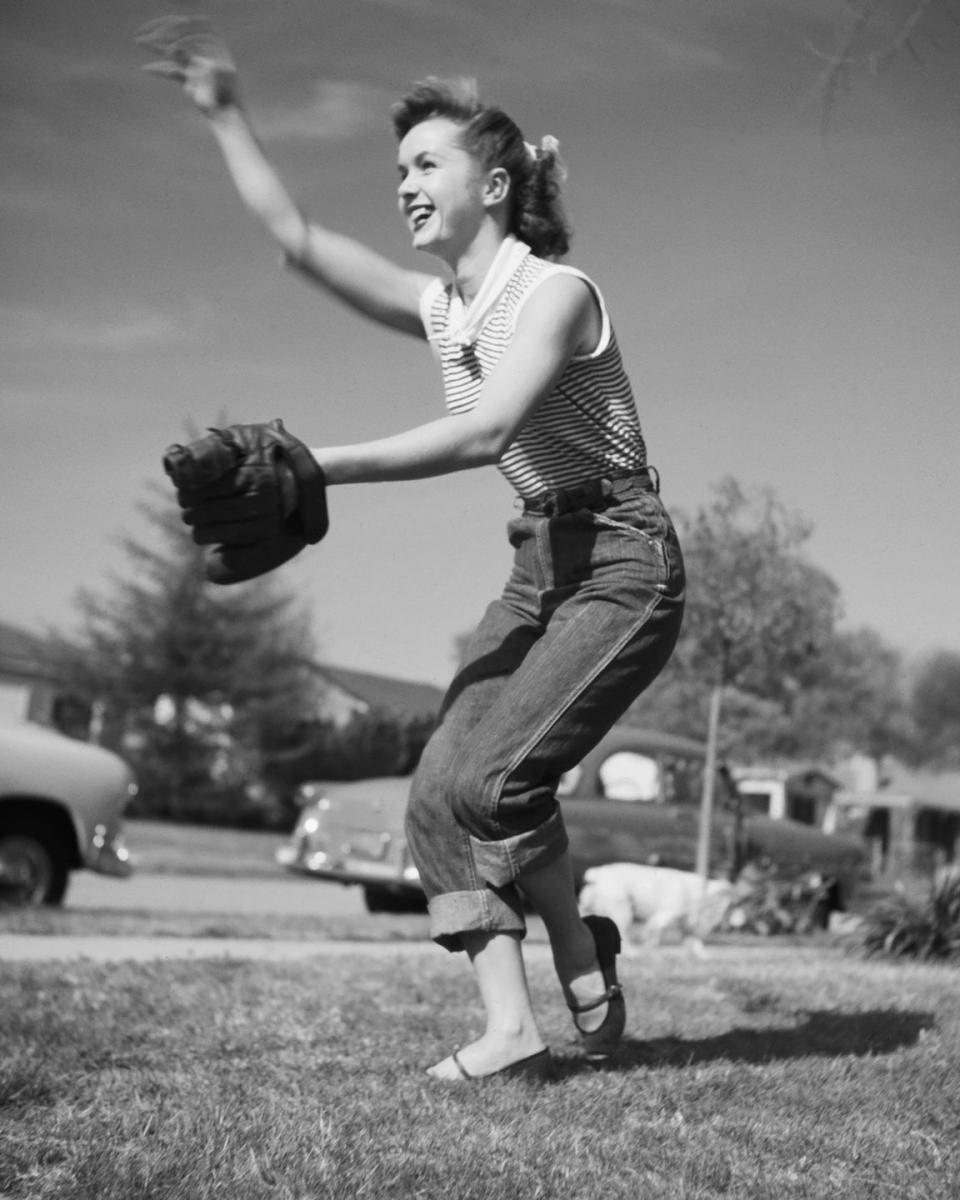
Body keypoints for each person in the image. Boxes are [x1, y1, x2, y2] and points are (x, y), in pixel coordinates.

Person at [138, 16, 686, 1082]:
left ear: (494, 183)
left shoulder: (557, 295)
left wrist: (310, 466)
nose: (402, 183)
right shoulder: (442, 306)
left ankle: (576, 941)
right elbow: (299, 240)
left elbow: (486, 431)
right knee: (439, 787)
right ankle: (511, 1026)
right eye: (398, 167)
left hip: (623, 558)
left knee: (494, 781)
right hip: (539, 563)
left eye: (426, 162)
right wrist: (226, 115)